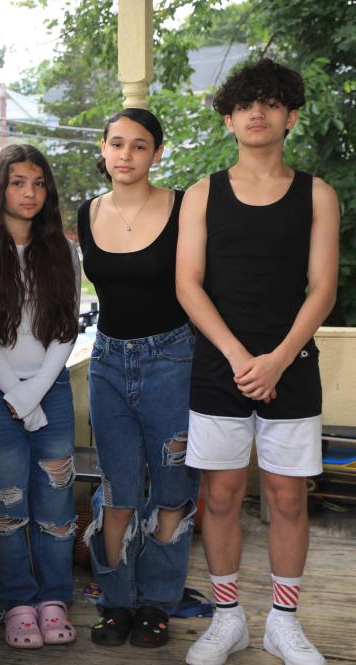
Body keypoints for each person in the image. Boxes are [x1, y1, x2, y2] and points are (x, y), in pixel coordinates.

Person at [178, 59, 339, 665]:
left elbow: (321, 289)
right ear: (228, 119)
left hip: (291, 366)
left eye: (271, 102)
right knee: (219, 497)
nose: (257, 112)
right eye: (245, 104)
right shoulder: (202, 194)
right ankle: (227, 621)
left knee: (287, 498)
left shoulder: (316, 194)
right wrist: (243, 357)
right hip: (220, 365)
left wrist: (277, 360)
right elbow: (188, 285)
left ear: (290, 115)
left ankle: (283, 622)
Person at [76, 108, 199, 649]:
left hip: (172, 360)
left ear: (157, 153)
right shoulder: (87, 213)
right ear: (103, 149)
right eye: (117, 144)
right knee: (117, 491)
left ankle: (157, 604)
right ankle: (116, 602)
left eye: (140, 145)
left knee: (172, 490)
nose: (126, 155)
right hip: (106, 362)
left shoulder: (183, 206)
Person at [0, 144, 80, 649]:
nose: (30, 193)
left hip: (51, 393)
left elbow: (66, 328)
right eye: (18, 182)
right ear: (0, 188)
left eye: (38, 183)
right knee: (5, 507)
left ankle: (54, 599)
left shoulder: (62, 247)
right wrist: (14, 393)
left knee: (56, 506)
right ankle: (19, 604)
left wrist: (34, 393)